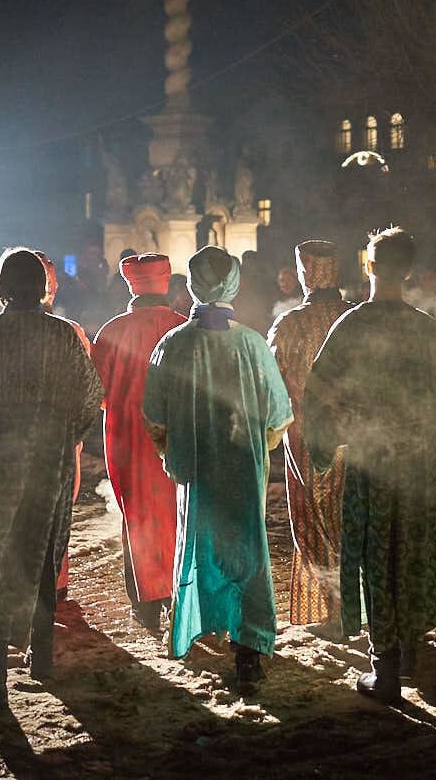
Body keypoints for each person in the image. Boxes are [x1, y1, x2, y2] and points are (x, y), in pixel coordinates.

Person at [0, 248, 103, 713]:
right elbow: (91, 398)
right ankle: (42, 655)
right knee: (44, 556)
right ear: (42, 288)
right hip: (48, 465)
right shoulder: (63, 337)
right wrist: (65, 439)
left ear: (2, 288)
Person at [301, 227, 436, 703]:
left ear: (368, 265)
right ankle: (411, 648)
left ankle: (384, 669)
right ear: (408, 270)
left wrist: (326, 447)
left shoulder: (352, 325)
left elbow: (318, 393)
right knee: (414, 549)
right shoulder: (429, 329)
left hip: (372, 462)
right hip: (421, 463)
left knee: (376, 556)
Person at [142, 246, 293, 691]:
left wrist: (176, 454)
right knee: (248, 554)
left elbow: (155, 417)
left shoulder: (173, 344)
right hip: (244, 472)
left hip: (197, 474)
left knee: (200, 548)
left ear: (190, 285)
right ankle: (250, 650)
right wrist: (254, 452)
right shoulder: (252, 344)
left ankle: (199, 625)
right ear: (235, 284)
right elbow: (279, 416)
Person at [91, 253, 186, 631]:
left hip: (127, 439)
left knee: (137, 518)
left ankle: (146, 601)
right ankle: (178, 593)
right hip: (176, 438)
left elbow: (97, 391)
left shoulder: (112, 330)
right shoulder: (182, 327)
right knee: (178, 514)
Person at [265, 240, 353, 635]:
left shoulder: (289, 325)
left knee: (311, 518)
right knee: (348, 517)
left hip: (303, 437)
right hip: (356, 435)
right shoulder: (354, 318)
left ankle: (328, 611)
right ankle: (355, 610)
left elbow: (270, 382)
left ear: (304, 274)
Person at [34, 250, 92, 600]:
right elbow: (89, 393)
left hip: (7, 450)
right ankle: (53, 586)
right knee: (56, 518)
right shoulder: (69, 333)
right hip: (58, 447)